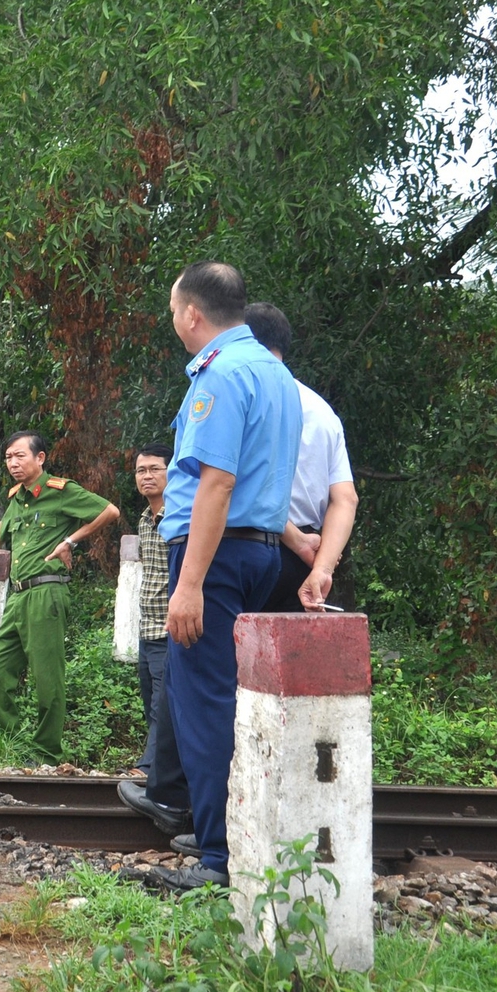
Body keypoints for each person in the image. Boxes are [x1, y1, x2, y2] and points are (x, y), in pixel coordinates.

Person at [151, 262, 303, 891]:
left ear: (193, 313)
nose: (176, 325)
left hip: (214, 557)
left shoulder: (222, 374)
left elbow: (216, 482)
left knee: (205, 702)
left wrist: (189, 582)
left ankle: (218, 860)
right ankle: (233, 830)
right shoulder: (279, 375)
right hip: (260, 550)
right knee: (232, 699)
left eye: (174, 314)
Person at [0, 433, 120, 763]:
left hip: (47, 592)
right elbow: (2, 531)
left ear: (40, 458)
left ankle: (48, 752)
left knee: (47, 678)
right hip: (18, 597)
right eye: (8, 457)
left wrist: (71, 541)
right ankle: (19, 746)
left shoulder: (60, 492)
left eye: (19, 456)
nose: (12, 463)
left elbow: (109, 511)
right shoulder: (16, 499)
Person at [243, 303, 359, 613]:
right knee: (292, 659)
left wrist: (293, 538)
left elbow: (236, 482)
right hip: (305, 563)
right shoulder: (322, 410)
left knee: (231, 659)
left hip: (247, 547)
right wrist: (322, 569)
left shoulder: (242, 394)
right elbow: (346, 499)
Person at [116, 443, 192, 840]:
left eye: (154, 469)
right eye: (140, 470)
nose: (146, 476)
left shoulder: (180, 514)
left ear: (172, 473)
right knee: (152, 703)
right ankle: (161, 772)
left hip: (171, 628)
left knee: (166, 705)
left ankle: (149, 774)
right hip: (147, 629)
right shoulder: (146, 519)